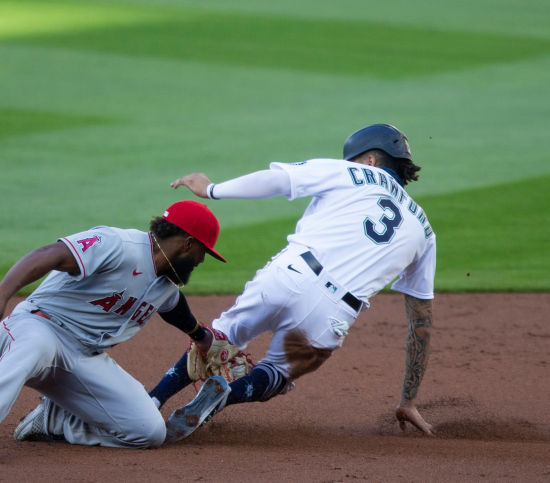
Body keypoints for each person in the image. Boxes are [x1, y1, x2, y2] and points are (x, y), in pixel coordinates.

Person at [149, 124, 436, 442]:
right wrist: (408, 400)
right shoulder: (424, 231)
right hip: (332, 313)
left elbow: (278, 180)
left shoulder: (352, 173)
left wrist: (212, 189)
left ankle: (153, 401)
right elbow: (421, 323)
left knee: (217, 339)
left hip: (290, 274)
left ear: (370, 160)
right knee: (276, 373)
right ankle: (224, 396)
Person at [0, 200, 224, 461]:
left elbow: (174, 308)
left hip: (83, 358)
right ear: (188, 243)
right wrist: (2, 292)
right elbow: (51, 254)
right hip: (39, 326)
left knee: (149, 431)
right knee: (36, 344)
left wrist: (201, 336)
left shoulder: (166, 282)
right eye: (203, 252)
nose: (201, 261)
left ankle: (58, 421)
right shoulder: (118, 244)